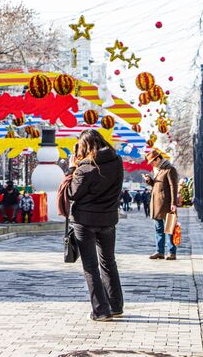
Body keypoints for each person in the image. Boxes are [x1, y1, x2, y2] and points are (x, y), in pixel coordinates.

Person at [67, 129, 124, 322]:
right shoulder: (117, 162)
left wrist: (71, 170)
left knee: (90, 266)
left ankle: (101, 310)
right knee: (109, 262)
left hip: (85, 221)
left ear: (85, 146)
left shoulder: (84, 168)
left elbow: (72, 193)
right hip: (108, 219)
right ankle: (115, 306)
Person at [143, 150, 179, 260]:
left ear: (158, 159)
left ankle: (171, 252)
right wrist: (149, 181)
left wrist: (173, 203)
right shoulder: (158, 169)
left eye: (152, 162)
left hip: (166, 204)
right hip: (157, 204)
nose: (151, 164)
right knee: (158, 229)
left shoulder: (169, 169)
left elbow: (173, 187)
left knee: (169, 228)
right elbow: (157, 185)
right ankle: (160, 251)